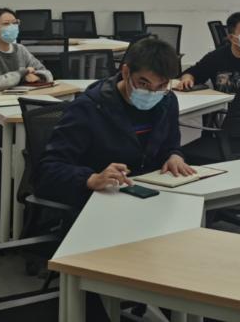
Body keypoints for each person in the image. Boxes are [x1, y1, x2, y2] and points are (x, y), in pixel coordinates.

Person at [35, 37, 194, 208]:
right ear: (126, 72)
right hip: (98, 201)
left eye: (161, 85)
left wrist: (175, 156)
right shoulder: (89, 108)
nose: (152, 92)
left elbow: (170, 145)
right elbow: (47, 170)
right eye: (143, 83)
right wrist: (92, 179)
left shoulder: (166, 100)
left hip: (147, 195)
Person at [176, 12, 240, 132]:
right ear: (231, 37)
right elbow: (194, 71)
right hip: (223, 115)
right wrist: (188, 78)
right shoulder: (217, 57)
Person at [0, 8, 53, 92]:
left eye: (15, 23)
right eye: (6, 24)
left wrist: (38, 76)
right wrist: (22, 74)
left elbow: (47, 74)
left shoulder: (20, 49)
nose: (12, 27)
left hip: (16, 97)